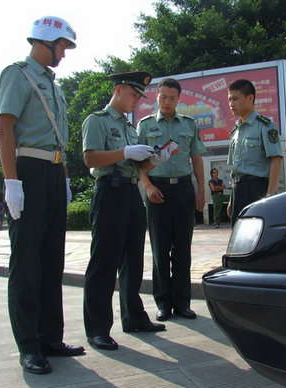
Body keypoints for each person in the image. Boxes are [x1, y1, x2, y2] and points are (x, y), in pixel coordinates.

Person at [0, 16, 83, 375]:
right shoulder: (17, 74)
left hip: (52, 171)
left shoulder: (54, 85)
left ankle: (50, 337)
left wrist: (62, 177)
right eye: (62, 46)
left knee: (52, 260)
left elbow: (57, 140)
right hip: (28, 172)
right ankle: (29, 345)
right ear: (46, 41)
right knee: (27, 261)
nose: (64, 53)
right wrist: (11, 181)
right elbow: (5, 126)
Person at [82, 71, 169, 351]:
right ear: (119, 90)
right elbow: (90, 157)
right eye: (134, 94)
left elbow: (137, 166)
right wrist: (126, 152)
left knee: (133, 260)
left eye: (140, 97)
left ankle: (134, 317)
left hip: (132, 191)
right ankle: (97, 329)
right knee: (104, 262)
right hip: (110, 190)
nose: (136, 101)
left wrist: (155, 159)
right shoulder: (97, 121)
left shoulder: (130, 128)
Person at [138, 77, 207, 322]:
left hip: (184, 190)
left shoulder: (189, 124)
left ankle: (182, 303)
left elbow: (197, 157)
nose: (167, 101)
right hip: (157, 190)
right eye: (163, 97)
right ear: (156, 97)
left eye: (172, 97)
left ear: (179, 99)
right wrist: (147, 186)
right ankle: (163, 303)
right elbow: (138, 163)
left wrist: (201, 190)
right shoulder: (145, 125)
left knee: (182, 250)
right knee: (160, 249)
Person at [227, 79, 282, 227]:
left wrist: (270, 195)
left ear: (250, 98)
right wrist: (232, 199)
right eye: (229, 99)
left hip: (258, 189)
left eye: (235, 99)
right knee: (238, 237)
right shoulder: (235, 131)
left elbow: (276, 160)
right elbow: (234, 170)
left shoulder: (265, 126)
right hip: (238, 190)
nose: (231, 103)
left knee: (257, 235)